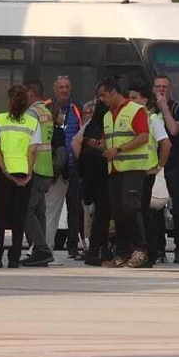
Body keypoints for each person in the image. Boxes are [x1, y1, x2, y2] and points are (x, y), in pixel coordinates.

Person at [0, 84, 44, 268]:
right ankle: (14, 258)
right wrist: (29, 173)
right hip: (24, 172)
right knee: (19, 217)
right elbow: (33, 150)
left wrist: (5, 170)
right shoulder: (33, 123)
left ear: (10, 100)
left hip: (3, 173)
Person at [101, 75, 154, 268]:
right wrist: (104, 147)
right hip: (114, 168)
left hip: (133, 168)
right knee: (118, 211)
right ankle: (122, 252)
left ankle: (140, 249)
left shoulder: (135, 110)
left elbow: (143, 136)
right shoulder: (107, 115)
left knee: (131, 208)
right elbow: (110, 139)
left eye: (104, 95)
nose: (103, 99)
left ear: (114, 92)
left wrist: (119, 149)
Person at [128, 83, 172, 263]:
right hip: (132, 171)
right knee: (135, 212)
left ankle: (150, 253)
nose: (130, 102)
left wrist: (159, 167)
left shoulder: (152, 119)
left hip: (146, 173)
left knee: (144, 214)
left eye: (134, 98)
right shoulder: (130, 117)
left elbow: (166, 144)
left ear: (144, 100)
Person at [43, 75, 84, 258]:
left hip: (72, 165)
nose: (64, 90)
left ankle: (73, 246)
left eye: (67, 87)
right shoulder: (46, 107)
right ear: (54, 89)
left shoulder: (77, 108)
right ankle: (42, 243)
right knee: (47, 208)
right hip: (51, 165)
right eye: (61, 87)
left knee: (75, 207)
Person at [153, 74, 179, 262]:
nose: (161, 90)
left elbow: (175, 130)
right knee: (156, 207)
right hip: (155, 165)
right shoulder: (149, 110)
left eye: (165, 87)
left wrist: (165, 108)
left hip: (174, 164)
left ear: (171, 88)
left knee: (177, 208)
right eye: (158, 86)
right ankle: (159, 249)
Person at [73, 89, 112, 265]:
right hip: (105, 176)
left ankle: (97, 249)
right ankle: (99, 250)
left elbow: (81, 152)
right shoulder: (108, 125)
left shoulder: (90, 126)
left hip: (89, 177)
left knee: (97, 215)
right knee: (104, 215)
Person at [20, 80, 55, 266]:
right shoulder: (46, 112)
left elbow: (28, 143)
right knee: (39, 211)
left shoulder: (31, 113)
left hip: (34, 167)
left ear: (31, 93)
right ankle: (40, 251)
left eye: (25, 93)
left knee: (26, 210)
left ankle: (41, 249)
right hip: (46, 167)